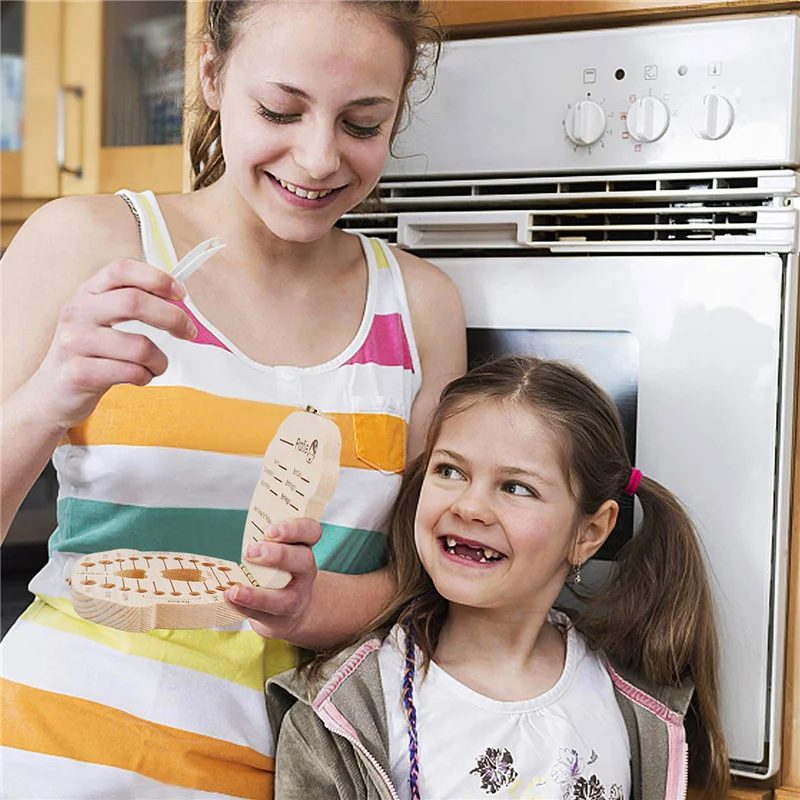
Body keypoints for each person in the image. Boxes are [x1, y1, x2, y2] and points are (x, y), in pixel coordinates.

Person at [0, 1, 465, 797]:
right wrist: (49, 397)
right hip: (51, 752)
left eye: (361, 124)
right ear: (212, 74)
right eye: (280, 110)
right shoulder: (84, 241)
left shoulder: (419, 305)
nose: (318, 158)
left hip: (294, 769)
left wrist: (323, 605)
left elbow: (430, 578)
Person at [266, 355, 730, 800]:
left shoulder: (635, 701)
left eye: (515, 487)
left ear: (588, 534)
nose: (469, 507)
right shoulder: (341, 710)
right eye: (450, 470)